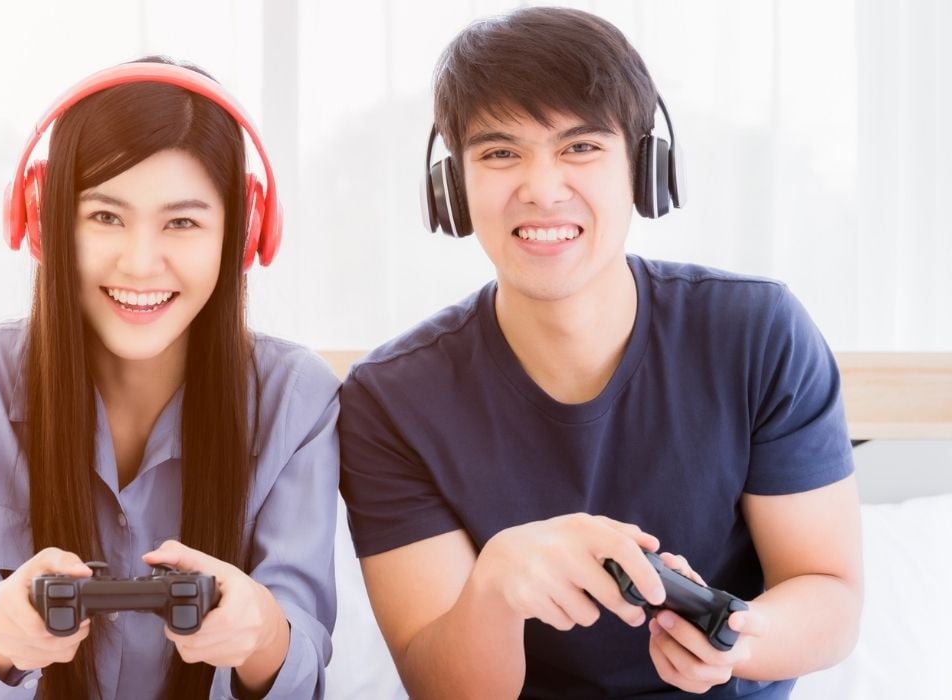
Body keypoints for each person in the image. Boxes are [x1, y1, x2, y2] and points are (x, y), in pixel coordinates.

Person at [338, 7, 861, 698]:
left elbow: (830, 593)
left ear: (644, 168)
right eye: (500, 153)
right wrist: (496, 585)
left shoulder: (759, 333)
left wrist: (736, 639)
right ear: (452, 187)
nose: (543, 188)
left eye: (580, 148)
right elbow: (445, 690)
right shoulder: (389, 400)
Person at [0, 56, 339, 700]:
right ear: (45, 222)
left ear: (241, 235)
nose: (139, 263)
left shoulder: (296, 398)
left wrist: (263, 635)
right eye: (105, 216)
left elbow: (303, 667)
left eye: (182, 222)